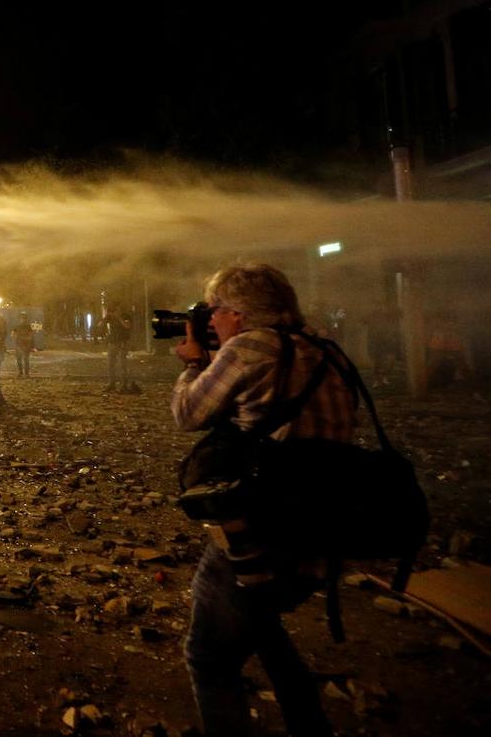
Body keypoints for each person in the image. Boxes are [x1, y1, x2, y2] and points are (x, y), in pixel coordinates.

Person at [171, 263, 357, 737]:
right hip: (322, 528)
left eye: (215, 311)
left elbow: (190, 412)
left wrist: (195, 363)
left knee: (208, 658)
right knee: (264, 631)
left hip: (260, 530)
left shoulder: (251, 346)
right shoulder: (324, 348)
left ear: (239, 313)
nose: (210, 320)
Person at [105, 305, 134, 392]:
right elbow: (101, 324)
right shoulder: (111, 318)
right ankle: (111, 383)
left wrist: (119, 318)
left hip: (122, 342)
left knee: (122, 364)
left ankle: (124, 385)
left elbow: (127, 326)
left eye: (117, 309)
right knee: (110, 363)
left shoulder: (126, 316)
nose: (116, 311)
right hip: (113, 342)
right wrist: (106, 318)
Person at [12, 312, 35, 378]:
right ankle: (20, 373)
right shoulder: (17, 326)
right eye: (21, 318)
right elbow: (13, 334)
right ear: (20, 319)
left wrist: (31, 344)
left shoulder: (28, 327)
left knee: (26, 360)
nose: (22, 320)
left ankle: (26, 373)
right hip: (19, 345)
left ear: (26, 319)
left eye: (24, 318)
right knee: (19, 360)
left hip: (26, 346)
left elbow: (31, 336)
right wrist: (15, 335)